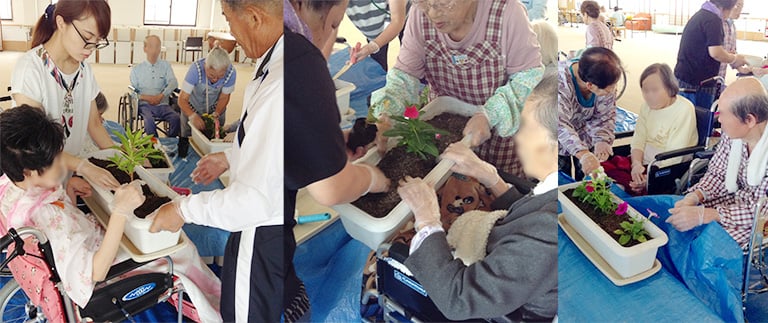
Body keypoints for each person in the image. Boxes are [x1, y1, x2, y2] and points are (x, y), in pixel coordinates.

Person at [0, 106, 222, 322]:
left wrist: (68, 190)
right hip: (101, 269)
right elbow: (95, 272)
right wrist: (120, 211)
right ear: (28, 172)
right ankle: (211, 307)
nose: (63, 163)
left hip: (73, 246)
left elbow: (61, 230)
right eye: (54, 161)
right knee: (183, 250)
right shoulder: (50, 218)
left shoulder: (9, 186)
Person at [148, 0, 284, 321]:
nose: (231, 33)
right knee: (183, 124)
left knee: (246, 313)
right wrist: (230, 157)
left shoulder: (279, 85)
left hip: (263, 233)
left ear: (253, 16)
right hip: (259, 225)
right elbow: (264, 145)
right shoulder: (271, 63)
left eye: (228, 19)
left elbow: (253, 201)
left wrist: (182, 209)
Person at [396, 73, 558, 321]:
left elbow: (459, 299)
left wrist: (427, 221)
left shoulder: (549, 235)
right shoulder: (562, 188)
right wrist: (491, 178)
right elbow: (532, 215)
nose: (518, 138)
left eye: (526, 128)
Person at [285, 0, 391, 320]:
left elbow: (289, 143)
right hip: (267, 265)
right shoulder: (301, 62)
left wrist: (328, 145)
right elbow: (331, 190)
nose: (331, 37)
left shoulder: (283, 51)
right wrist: (375, 178)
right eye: (334, 25)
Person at [370, 0, 544, 178]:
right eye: (424, 4)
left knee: (495, 188)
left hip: (500, 132)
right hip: (442, 129)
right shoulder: (419, 15)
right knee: (449, 185)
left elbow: (527, 77)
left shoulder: (507, 12)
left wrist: (489, 114)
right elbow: (404, 76)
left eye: (443, 4)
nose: (433, 14)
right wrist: (386, 116)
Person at [10, 0, 119, 191]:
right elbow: (36, 144)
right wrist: (83, 166)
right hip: (35, 179)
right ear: (61, 23)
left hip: (64, 172)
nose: (91, 48)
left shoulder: (84, 70)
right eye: (87, 36)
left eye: (98, 41)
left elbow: (94, 124)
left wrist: (124, 158)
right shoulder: (31, 69)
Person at [669, 77, 768, 248]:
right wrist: (695, 195)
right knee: (678, 223)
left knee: (706, 245)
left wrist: (708, 215)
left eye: (723, 114)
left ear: (750, 120)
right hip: (732, 200)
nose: (718, 120)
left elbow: (760, 212)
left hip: (757, 219)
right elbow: (718, 174)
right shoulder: (733, 136)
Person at [603, 63, 698, 195]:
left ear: (669, 88)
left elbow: (675, 156)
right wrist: (636, 164)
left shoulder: (684, 109)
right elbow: (639, 138)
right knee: (602, 168)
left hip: (666, 165)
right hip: (642, 160)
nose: (649, 96)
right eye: (645, 91)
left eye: (654, 90)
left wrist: (648, 178)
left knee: (626, 185)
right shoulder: (645, 107)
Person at [558, 46, 622, 180]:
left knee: (590, 176)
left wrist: (602, 139)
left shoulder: (606, 80)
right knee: (561, 179)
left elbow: (606, 115)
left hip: (584, 134)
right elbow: (560, 125)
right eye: (608, 89)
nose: (612, 91)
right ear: (590, 86)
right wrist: (583, 154)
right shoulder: (560, 83)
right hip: (556, 138)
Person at [675, 0, 748, 109]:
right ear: (727, 8)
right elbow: (716, 52)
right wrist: (734, 59)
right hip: (697, 82)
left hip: (688, 77)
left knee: (685, 117)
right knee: (698, 120)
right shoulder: (713, 19)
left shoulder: (703, 14)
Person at [177, 47, 237, 158]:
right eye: (212, 76)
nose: (215, 80)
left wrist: (216, 113)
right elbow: (182, 99)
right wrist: (192, 115)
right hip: (193, 106)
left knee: (215, 136)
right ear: (206, 66)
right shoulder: (195, 70)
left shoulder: (231, 72)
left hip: (215, 107)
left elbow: (224, 97)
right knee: (187, 135)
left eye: (220, 77)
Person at [130, 35, 180, 137]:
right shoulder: (136, 69)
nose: (155, 50)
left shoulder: (166, 66)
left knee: (176, 118)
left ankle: (170, 142)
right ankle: (155, 145)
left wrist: (161, 96)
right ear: (145, 48)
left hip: (163, 104)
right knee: (149, 121)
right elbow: (133, 92)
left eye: (158, 46)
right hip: (145, 105)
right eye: (151, 46)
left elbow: (173, 82)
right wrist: (146, 98)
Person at [345, 0, 408, 71]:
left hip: (404, 14)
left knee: (411, 58)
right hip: (374, 28)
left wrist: (371, 47)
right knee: (378, 64)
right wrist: (370, 48)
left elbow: (397, 21)